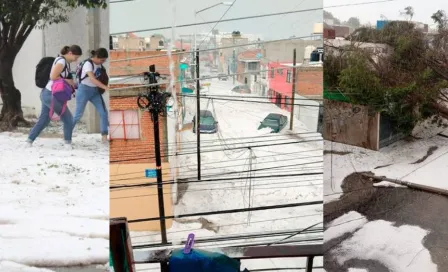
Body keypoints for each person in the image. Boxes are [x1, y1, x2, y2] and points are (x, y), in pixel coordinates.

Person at [27, 45, 82, 148]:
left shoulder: (63, 61)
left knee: (44, 120)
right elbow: (53, 77)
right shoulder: (61, 62)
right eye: (76, 57)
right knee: (68, 118)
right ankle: (67, 144)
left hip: (47, 93)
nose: (76, 59)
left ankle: (29, 141)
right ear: (70, 53)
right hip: (50, 95)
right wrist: (68, 80)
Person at [72, 48, 110, 142]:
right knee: (78, 114)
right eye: (101, 60)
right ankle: (67, 132)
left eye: (104, 60)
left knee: (103, 113)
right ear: (96, 57)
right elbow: (92, 79)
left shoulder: (100, 65)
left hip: (95, 91)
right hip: (84, 90)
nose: (102, 62)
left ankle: (104, 136)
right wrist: (105, 87)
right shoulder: (88, 64)